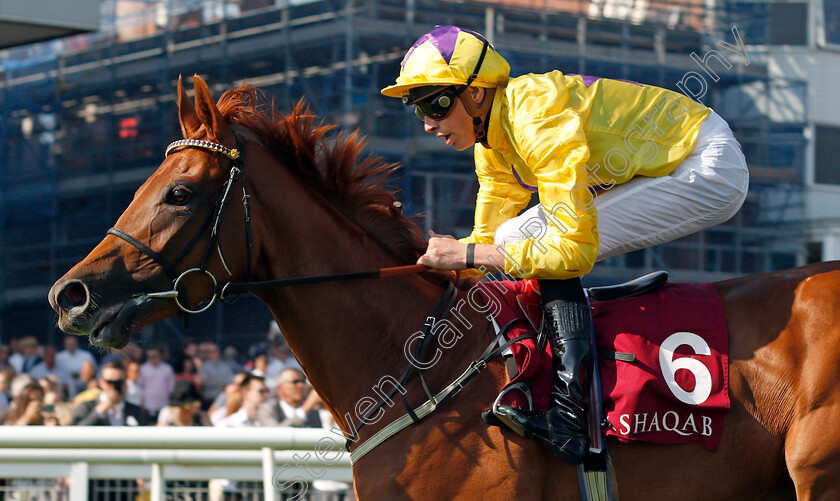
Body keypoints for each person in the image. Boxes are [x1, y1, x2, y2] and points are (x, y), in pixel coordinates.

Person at [382, 25, 749, 464]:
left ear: (476, 94)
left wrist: (463, 254)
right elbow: (484, 247)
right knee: (508, 237)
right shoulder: (492, 142)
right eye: (416, 107)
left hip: (705, 164)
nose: (427, 122)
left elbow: (570, 251)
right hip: (660, 164)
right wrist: (433, 260)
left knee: (529, 238)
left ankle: (571, 417)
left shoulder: (533, 111)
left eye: (434, 103)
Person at [74, 361, 148, 426]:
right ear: (101, 383)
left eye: (118, 383)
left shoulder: (135, 410)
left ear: (125, 384)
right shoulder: (86, 406)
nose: (114, 387)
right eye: (109, 382)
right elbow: (77, 432)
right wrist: (101, 409)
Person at [137, 346, 175, 421]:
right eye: (149, 357)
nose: (152, 359)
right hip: (147, 405)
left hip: (164, 405)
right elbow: (139, 386)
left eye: (154, 356)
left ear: (160, 356)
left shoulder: (167, 368)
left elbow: (171, 387)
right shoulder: (142, 369)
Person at [198, 341, 234, 407]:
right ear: (208, 354)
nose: (214, 353)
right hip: (209, 399)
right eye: (211, 352)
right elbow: (206, 383)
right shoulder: (203, 366)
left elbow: (230, 381)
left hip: (224, 398)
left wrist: (216, 381)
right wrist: (222, 383)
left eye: (215, 351)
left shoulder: (225, 366)